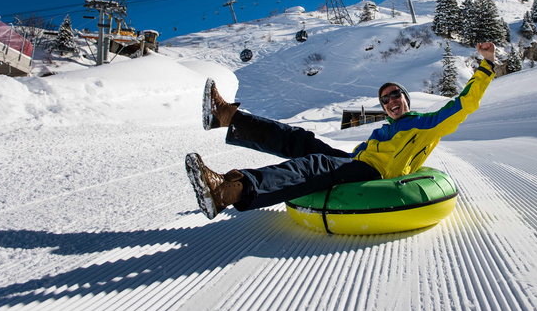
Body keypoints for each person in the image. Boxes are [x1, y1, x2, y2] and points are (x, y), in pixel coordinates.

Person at [186, 42, 497, 220]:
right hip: (356, 162)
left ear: (406, 98)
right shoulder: (385, 131)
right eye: (385, 99)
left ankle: (230, 190)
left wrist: (486, 66)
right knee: (300, 140)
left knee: (314, 165)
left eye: (395, 95)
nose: (390, 101)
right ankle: (225, 116)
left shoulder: (424, 125)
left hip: (374, 175)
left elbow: (464, 104)